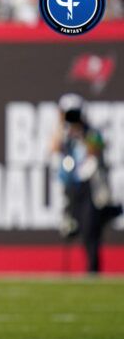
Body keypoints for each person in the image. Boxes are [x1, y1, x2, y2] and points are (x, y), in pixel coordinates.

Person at [52, 93, 118, 274]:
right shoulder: (64, 134)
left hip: (90, 186)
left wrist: (82, 133)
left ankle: (92, 269)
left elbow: (96, 148)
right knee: (73, 227)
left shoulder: (90, 132)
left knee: (91, 228)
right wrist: (62, 125)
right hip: (72, 187)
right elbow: (54, 148)